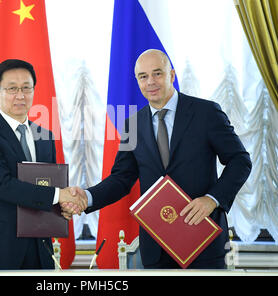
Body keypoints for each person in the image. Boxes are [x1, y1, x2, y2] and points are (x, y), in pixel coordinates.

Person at [64, 49, 252, 269]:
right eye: (143, 77)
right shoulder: (132, 125)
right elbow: (121, 179)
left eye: (157, 74)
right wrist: (86, 197)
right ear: (137, 81)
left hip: (204, 241)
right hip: (156, 248)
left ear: (172, 75)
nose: (150, 82)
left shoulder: (206, 113)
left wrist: (212, 199)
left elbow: (240, 161)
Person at [0, 59, 87, 270]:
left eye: (26, 88)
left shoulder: (45, 137)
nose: (20, 95)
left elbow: (48, 185)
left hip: (39, 250)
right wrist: (59, 195)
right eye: (12, 89)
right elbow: (2, 186)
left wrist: (63, 206)